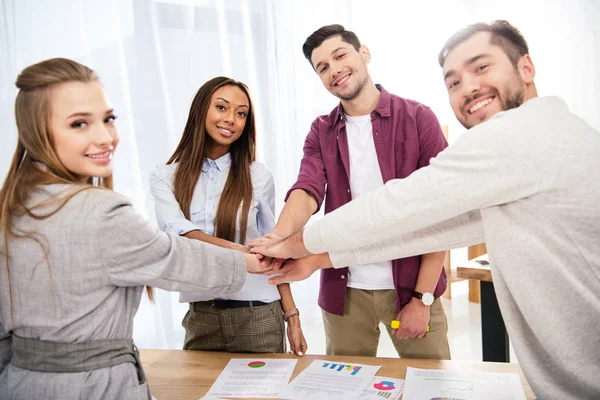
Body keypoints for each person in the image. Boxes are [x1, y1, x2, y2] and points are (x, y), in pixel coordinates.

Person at [252, 21, 600, 399]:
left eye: (481, 67)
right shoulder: (545, 132)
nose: (467, 87)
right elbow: (438, 228)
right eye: (453, 82)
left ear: (526, 68)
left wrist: (300, 244)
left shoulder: (513, 136)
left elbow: (402, 208)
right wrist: (318, 258)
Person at [0, 58, 271, 400]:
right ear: (37, 130)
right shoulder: (104, 210)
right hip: (97, 387)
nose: (105, 137)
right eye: (79, 123)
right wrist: (247, 260)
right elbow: (172, 255)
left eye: (108, 119)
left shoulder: (9, 209)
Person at [250, 24, 450, 359]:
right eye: (322, 67)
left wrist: (423, 298)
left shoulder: (418, 118)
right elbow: (307, 189)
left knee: (431, 385)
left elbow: (441, 211)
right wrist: (279, 237)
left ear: (364, 54)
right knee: (344, 389)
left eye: (340, 55)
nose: (334, 70)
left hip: (412, 288)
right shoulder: (321, 130)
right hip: (344, 292)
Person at [150, 77, 307, 356]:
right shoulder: (165, 177)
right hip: (201, 318)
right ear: (201, 110)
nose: (231, 119)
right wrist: (240, 253)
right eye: (221, 108)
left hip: (257, 316)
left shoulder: (258, 176)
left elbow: (275, 249)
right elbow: (179, 233)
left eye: (241, 113)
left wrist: (292, 316)